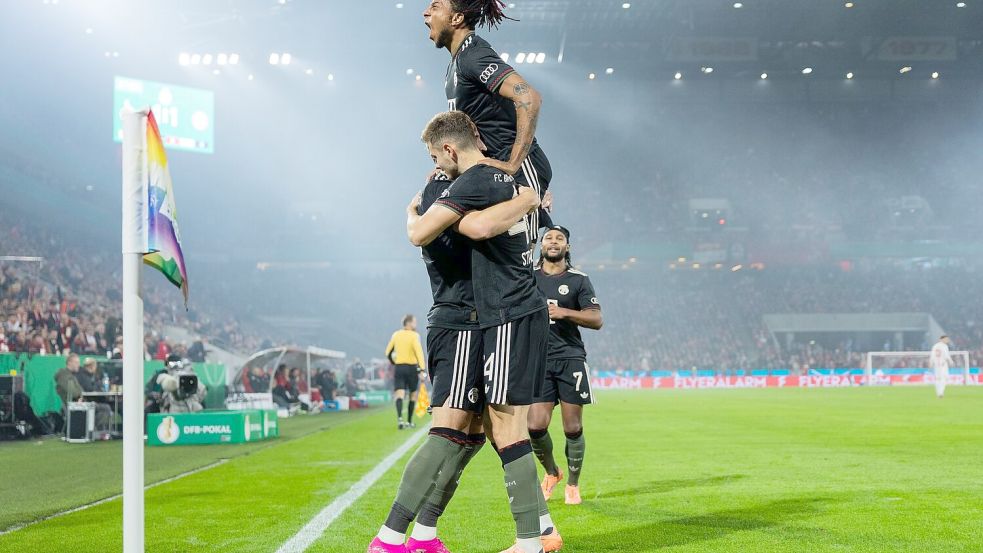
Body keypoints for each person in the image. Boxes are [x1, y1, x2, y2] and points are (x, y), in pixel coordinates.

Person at [369, 111, 553, 553]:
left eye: (435, 156)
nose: (434, 164)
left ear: (449, 150)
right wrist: (529, 199)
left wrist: (412, 214)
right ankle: (407, 537)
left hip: (482, 318)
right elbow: (467, 226)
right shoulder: (501, 179)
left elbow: (442, 226)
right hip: (466, 320)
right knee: (467, 431)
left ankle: (410, 537)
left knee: (476, 431)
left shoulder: (461, 183)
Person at [424, 0, 553, 243]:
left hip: (515, 170)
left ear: (456, 18)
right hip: (492, 172)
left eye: (436, 6)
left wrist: (515, 163)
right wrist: (446, 164)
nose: (426, 12)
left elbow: (529, 97)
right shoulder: (456, 63)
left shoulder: (473, 55)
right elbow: (470, 129)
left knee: (519, 264)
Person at [530, 225, 603, 506]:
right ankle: (552, 472)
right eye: (548, 237)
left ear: (567, 247)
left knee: (572, 428)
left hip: (570, 357)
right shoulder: (527, 278)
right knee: (535, 426)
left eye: (560, 238)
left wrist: (564, 313)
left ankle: (573, 484)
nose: (554, 242)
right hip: (536, 360)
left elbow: (596, 319)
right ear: (541, 245)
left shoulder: (579, 280)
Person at [385, 315, 428, 430]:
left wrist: (393, 362)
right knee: (413, 395)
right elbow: (418, 352)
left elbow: (388, 352)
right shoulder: (414, 336)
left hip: (399, 367)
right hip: (411, 368)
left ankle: (400, 419)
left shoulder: (396, 334)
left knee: (399, 394)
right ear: (408, 323)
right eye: (414, 322)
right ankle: (409, 421)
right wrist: (422, 368)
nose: (416, 324)